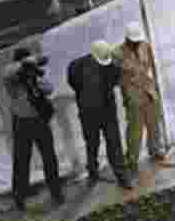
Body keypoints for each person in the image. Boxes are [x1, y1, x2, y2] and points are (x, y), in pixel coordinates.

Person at [2, 47, 64, 210]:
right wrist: (26, 65)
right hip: (22, 122)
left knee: (49, 157)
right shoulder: (11, 78)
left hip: (39, 121)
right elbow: (8, 72)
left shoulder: (33, 76)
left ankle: (56, 191)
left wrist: (34, 78)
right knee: (22, 161)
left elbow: (49, 88)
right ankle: (20, 197)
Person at [67, 40, 128, 187]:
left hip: (107, 112)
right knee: (92, 144)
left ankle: (121, 176)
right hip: (88, 113)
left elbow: (117, 81)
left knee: (114, 144)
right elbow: (73, 83)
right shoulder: (76, 66)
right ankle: (93, 173)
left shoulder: (113, 66)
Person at [112, 22, 168, 176]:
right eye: (133, 41)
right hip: (133, 94)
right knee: (135, 129)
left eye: (137, 41)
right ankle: (132, 160)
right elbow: (115, 78)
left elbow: (150, 65)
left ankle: (155, 150)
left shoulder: (145, 46)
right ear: (127, 39)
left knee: (154, 123)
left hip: (148, 90)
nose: (136, 43)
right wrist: (129, 83)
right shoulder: (117, 53)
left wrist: (152, 86)